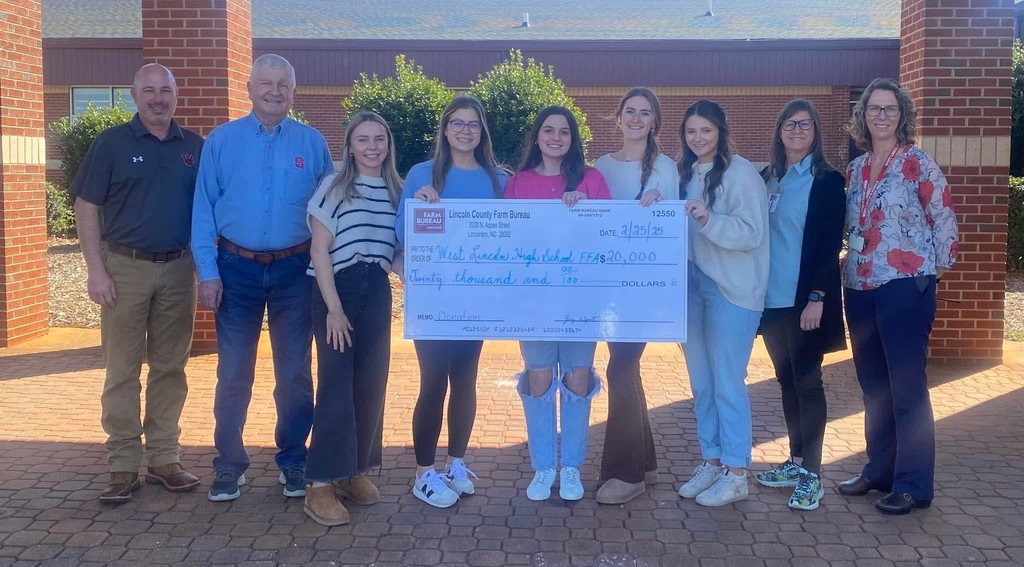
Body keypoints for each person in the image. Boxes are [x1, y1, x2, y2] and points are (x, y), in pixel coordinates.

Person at [192, 54, 334, 502]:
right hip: (236, 269)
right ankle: (229, 464)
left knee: (294, 372)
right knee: (234, 371)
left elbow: (330, 212)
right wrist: (207, 272)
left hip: (295, 271)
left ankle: (293, 459)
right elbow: (202, 211)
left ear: (294, 92)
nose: (274, 92)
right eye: (266, 84)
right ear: (250, 89)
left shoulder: (312, 144)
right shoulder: (221, 141)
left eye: (284, 85)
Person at [70, 63, 204, 504]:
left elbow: (208, 212)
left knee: (171, 368)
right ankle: (123, 466)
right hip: (124, 269)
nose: (158, 98)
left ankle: (165, 459)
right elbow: (86, 206)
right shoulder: (111, 144)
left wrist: (207, 270)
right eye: (149, 91)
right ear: (134, 95)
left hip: (179, 267)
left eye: (165, 90)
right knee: (122, 370)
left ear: (176, 94)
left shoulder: (196, 147)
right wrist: (96, 269)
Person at [837, 78, 958, 515]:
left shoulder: (918, 163)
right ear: (863, 115)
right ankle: (879, 470)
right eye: (874, 109)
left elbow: (944, 219)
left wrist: (930, 276)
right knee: (873, 387)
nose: (881, 116)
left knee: (907, 388)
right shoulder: (854, 170)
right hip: (859, 286)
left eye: (889, 109)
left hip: (906, 287)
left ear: (902, 115)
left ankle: (913, 485)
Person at [394, 96, 508, 508]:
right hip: (433, 300)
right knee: (433, 381)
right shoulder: (422, 175)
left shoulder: (499, 180)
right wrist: (417, 208)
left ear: (482, 131)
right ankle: (424, 472)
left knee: (465, 380)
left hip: (475, 299)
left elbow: (518, 235)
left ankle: (455, 463)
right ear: (444, 129)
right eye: (457, 123)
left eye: (473, 124)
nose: (465, 131)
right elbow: (401, 236)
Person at [504, 106, 610, 501]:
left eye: (564, 132)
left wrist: (586, 212)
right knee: (539, 380)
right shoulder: (518, 183)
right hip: (533, 303)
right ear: (537, 137)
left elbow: (608, 236)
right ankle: (544, 466)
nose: (555, 138)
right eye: (548, 130)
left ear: (573, 139)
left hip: (582, 301)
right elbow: (507, 242)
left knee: (579, 380)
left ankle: (571, 468)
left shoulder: (592, 179)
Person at [301, 111, 403, 525]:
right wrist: (334, 311)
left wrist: (413, 270)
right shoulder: (334, 187)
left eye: (380, 138)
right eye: (363, 139)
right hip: (336, 291)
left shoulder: (397, 191)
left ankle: (353, 471)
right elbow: (319, 251)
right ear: (350, 144)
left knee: (370, 383)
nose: (372, 146)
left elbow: (394, 250)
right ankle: (319, 483)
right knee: (336, 387)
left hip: (375, 290)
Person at [753, 99, 846, 511]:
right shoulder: (766, 178)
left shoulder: (826, 181)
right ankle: (794, 460)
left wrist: (818, 298)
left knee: (808, 383)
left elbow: (828, 246)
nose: (795, 130)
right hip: (771, 302)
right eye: (788, 123)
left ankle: (813, 474)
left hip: (805, 300)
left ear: (815, 131)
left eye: (804, 124)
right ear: (778, 130)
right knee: (787, 381)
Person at [677, 100, 769, 507]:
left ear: (721, 131)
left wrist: (707, 219)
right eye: (692, 131)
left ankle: (736, 472)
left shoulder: (741, 173)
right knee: (702, 384)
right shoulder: (685, 174)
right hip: (692, 288)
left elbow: (751, 233)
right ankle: (712, 462)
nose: (699, 138)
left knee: (728, 382)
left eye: (706, 131)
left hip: (731, 290)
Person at [592, 87, 679, 505]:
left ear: (654, 121)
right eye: (630, 111)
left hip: (645, 288)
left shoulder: (666, 168)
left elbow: (674, 231)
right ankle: (645, 461)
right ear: (619, 118)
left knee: (620, 370)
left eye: (646, 113)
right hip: (607, 287)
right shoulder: (601, 167)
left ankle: (626, 474)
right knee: (625, 367)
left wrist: (661, 207)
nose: (637, 119)